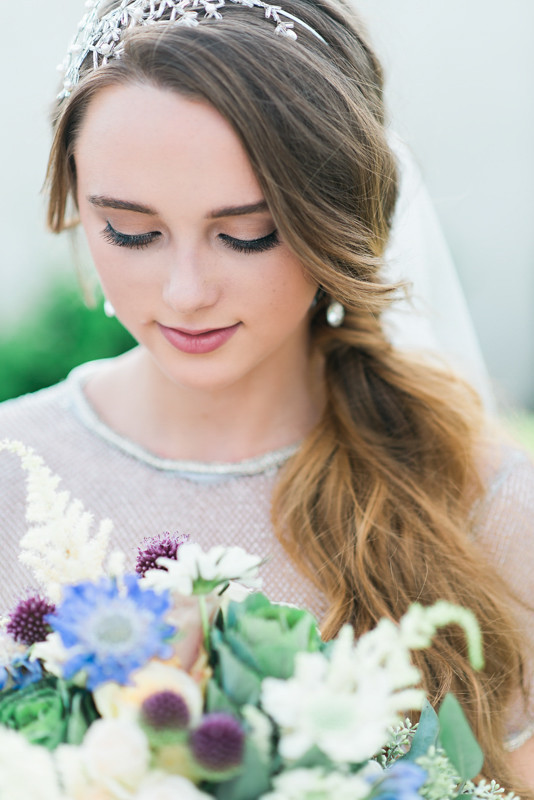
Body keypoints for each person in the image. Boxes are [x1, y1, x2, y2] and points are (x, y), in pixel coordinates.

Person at [0, 0, 533, 790]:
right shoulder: (14, 469)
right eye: (130, 231)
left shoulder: (483, 503)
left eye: (247, 232)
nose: (185, 292)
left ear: (338, 216)